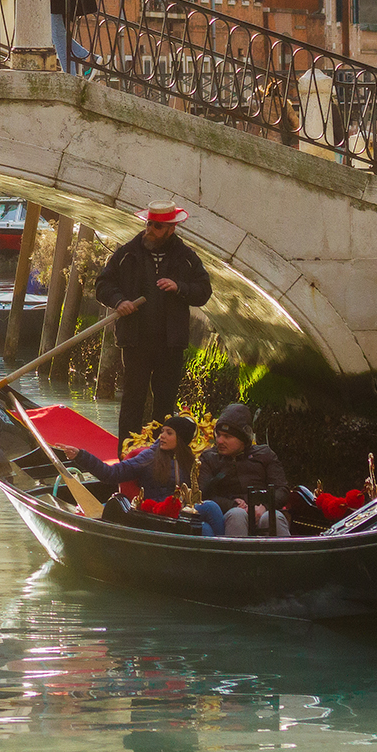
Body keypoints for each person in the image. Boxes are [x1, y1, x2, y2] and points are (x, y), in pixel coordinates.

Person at [93, 202, 212, 445]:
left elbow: (203, 291)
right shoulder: (126, 254)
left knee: (166, 403)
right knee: (132, 400)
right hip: (135, 342)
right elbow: (103, 285)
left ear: (171, 229)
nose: (149, 229)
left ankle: (162, 456)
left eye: (156, 226)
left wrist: (180, 288)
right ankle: (126, 455)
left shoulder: (187, 258)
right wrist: (119, 301)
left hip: (171, 344)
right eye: (148, 223)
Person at [55, 413, 196, 507]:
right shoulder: (149, 457)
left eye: (169, 433)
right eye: (162, 432)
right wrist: (81, 455)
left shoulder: (191, 461)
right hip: (155, 515)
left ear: (182, 439)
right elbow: (111, 474)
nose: (162, 436)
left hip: (183, 513)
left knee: (210, 508)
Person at [195, 403, 290, 537]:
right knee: (237, 515)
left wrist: (264, 506)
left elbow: (282, 490)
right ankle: (238, 558)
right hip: (229, 512)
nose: (220, 441)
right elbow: (203, 494)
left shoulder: (264, 454)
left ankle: (286, 556)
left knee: (272, 518)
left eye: (227, 437)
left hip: (264, 508)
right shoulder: (210, 458)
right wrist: (232, 504)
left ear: (243, 440)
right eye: (219, 435)